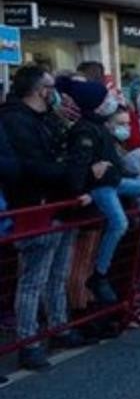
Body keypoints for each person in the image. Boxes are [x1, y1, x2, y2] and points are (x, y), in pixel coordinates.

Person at [0, 66, 93, 369]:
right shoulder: (15, 120)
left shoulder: (45, 119)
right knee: (33, 279)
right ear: (39, 90)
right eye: (51, 86)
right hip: (35, 205)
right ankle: (29, 341)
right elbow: (32, 165)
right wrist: (75, 171)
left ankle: (59, 326)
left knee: (57, 273)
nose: (56, 92)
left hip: (59, 202)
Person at [62, 79, 140, 304]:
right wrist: (89, 180)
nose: (112, 101)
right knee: (119, 223)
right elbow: (79, 168)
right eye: (107, 98)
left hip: (115, 180)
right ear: (96, 104)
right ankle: (100, 274)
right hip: (100, 187)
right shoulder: (84, 130)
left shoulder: (99, 126)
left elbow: (112, 163)